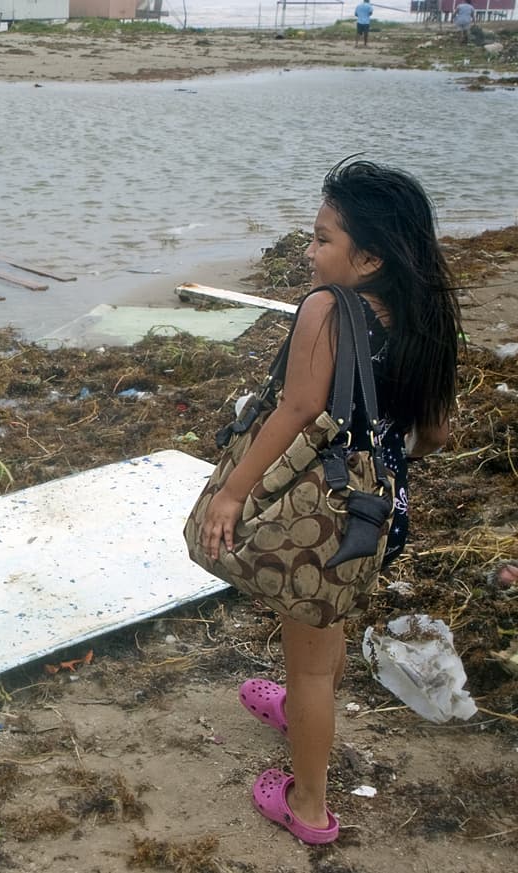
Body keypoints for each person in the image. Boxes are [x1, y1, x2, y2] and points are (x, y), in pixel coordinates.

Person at [198, 159, 461, 845]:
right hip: (379, 513)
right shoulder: (426, 315)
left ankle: (307, 805)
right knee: (327, 615)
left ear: (368, 254)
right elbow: (435, 433)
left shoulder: (326, 308)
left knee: (311, 657)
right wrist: (385, 464)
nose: (308, 253)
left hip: (323, 513)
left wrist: (232, 491)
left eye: (321, 239)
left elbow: (297, 409)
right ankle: (297, 706)